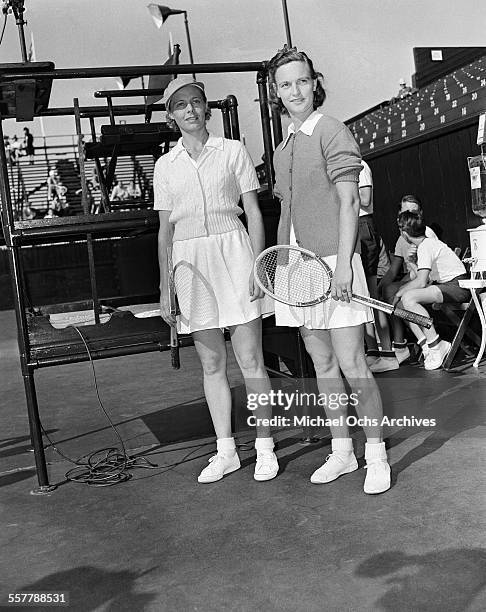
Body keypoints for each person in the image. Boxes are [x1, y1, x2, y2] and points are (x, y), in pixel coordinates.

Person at [267, 46, 390, 494]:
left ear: (315, 83)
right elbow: (288, 213)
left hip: (336, 263)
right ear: (276, 93)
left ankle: (375, 455)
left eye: (302, 81)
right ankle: (342, 451)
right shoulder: (283, 149)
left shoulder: (332, 129)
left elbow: (349, 202)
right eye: (286, 84)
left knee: (353, 362)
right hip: (296, 269)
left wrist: (344, 267)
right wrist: (279, 268)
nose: (295, 91)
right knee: (322, 364)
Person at [153, 75, 278, 484]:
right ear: (171, 116)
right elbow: (165, 232)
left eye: (196, 102)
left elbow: (254, 213)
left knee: (251, 361)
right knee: (211, 363)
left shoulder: (233, 151)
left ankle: (264, 447)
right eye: (180, 105)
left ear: (206, 108)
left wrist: (259, 265)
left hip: (235, 254)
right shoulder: (164, 166)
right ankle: (226, 451)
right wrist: (164, 287)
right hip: (191, 263)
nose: (190, 110)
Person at [393, 211, 469, 369]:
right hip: (445, 286)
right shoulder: (425, 245)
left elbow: (421, 282)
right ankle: (426, 345)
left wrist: (399, 292)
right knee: (401, 306)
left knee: (408, 298)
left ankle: (436, 344)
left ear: (404, 233)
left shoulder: (426, 246)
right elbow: (424, 278)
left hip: (457, 287)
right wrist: (411, 262)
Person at [374, 195, 438, 370]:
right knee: (387, 290)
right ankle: (400, 345)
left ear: (420, 214)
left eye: (413, 212)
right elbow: (394, 270)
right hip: (415, 278)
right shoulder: (402, 238)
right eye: (405, 211)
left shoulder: (425, 234)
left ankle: (412, 344)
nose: (409, 215)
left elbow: (426, 273)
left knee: (396, 294)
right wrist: (378, 288)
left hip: (430, 281)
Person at [357, 160, 394, 370]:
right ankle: (373, 350)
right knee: (361, 294)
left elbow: (364, 198)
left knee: (371, 294)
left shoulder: (360, 166)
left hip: (362, 225)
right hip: (353, 225)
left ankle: (387, 353)